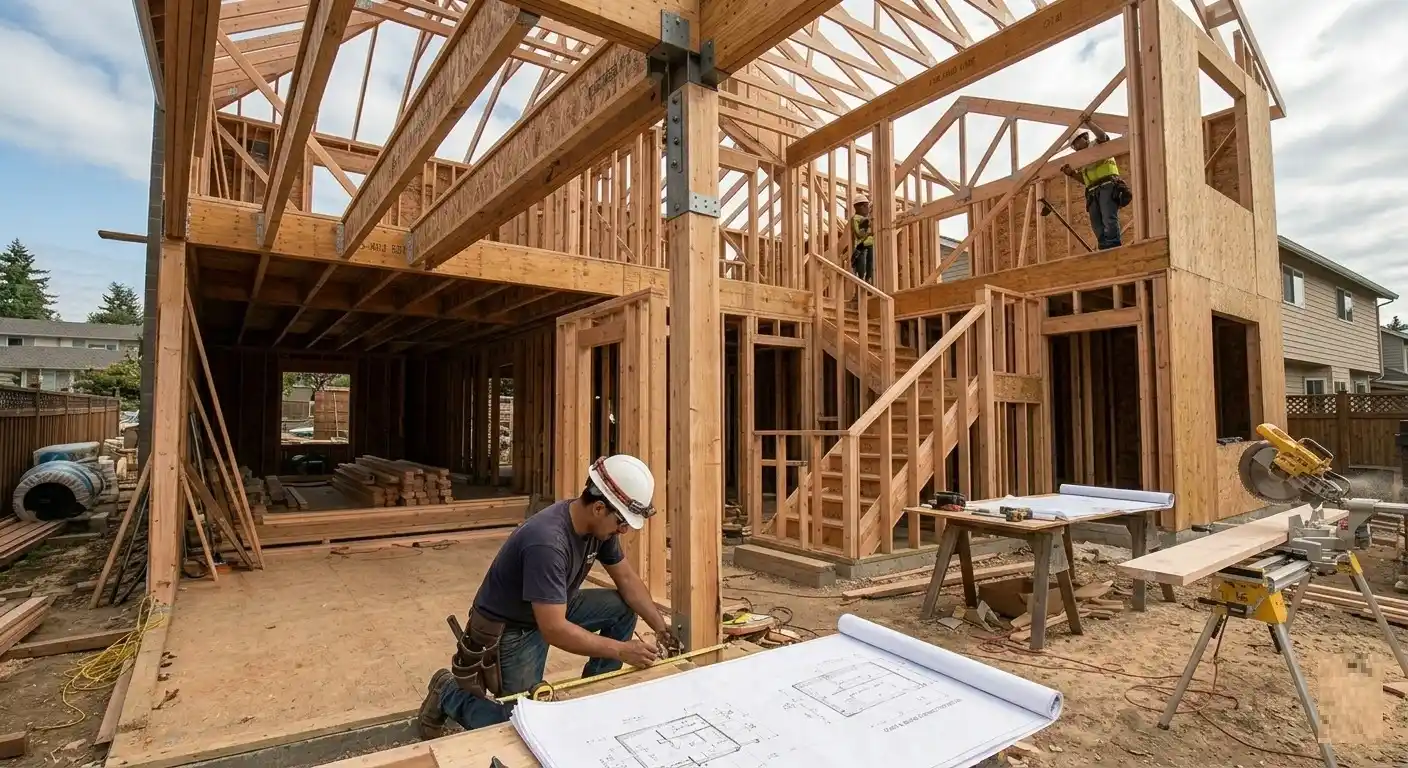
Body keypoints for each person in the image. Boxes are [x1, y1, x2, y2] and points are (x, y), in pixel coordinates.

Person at [416, 454, 676, 738]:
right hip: (512, 628)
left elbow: (626, 579)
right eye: (622, 522)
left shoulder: (598, 528)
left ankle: (595, 696)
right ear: (599, 508)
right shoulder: (548, 543)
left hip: (551, 606)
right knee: (521, 728)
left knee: (622, 607)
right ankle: (448, 692)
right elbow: (554, 629)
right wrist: (622, 650)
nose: (623, 530)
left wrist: (661, 628)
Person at [1059, 120, 1125, 250]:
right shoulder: (1082, 159)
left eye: (1075, 144)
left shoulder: (1096, 145)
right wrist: (1072, 173)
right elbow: (1085, 179)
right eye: (1072, 146)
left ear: (1084, 138)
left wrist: (1088, 122)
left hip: (1107, 185)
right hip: (1092, 191)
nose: (1074, 148)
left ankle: (1113, 245)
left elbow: (1102, 136)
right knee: (1096, 223)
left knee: (1108, 217)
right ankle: (1104, 246)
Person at [850, 197, 875, 284]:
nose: (868, 208)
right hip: (862, 246)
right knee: (862, 267)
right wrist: (868, 231)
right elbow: (858, 234)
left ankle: (868, 282)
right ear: (860, 207)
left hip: (871, 244)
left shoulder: (868, 219)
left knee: (871, 265)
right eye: (866, 206)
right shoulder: (856, 218)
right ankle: (861, 287)